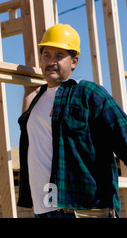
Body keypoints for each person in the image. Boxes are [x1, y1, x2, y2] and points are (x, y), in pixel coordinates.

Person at [18, 23, 127, 218]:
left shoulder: (89, 94)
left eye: (59, 56)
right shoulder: (37, 100)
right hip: (44, 211)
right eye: (46, 55)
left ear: (74, 61)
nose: (51, 61)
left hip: (84, 211)